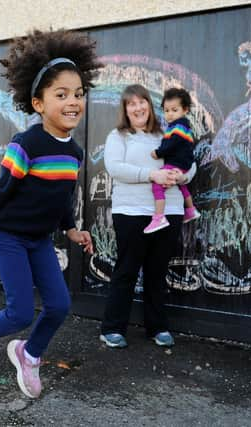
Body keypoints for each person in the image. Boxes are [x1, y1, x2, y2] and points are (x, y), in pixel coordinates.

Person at [0, 29, 101, 399]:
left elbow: (62, 196)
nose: (73, 101)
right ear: (38, 103)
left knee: (60, 305)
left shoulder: (75, 152)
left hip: (39, 239)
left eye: (78, 94)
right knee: (19, 313)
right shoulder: (25, 144)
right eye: (61, 94)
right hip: (9, 236)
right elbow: (2, 191)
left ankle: (28, 353)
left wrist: (72, 229)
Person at [99, 84, 194, 349]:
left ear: (150, 106)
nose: (138, 107)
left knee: (157, 272)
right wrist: (152, 175)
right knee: (126, 271)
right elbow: (115, 168)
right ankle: (113, 329)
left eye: (142, 102)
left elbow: (190, 159)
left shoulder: (167, 133)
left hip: (170, 211)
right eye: (132, 104)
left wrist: (183, 176)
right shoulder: (118, 136)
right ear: (125, 110)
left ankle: (158, 327)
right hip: (131, 212)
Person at [145, 87, 200, 234]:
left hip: (177, 162)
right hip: (182, 164)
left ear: (185, 110)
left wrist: (158, 152)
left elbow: (172, 143)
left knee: (157, 185)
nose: (169, 114)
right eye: (166, 110)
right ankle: (190, 210)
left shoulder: (179, 126)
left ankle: (159, 217)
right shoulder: (179, 125)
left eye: (174, 110)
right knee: (182, 186)